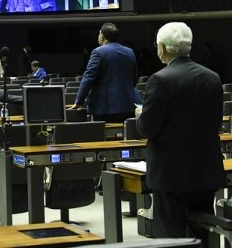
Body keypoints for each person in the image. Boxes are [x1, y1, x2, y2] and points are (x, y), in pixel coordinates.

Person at [137, 22, 225, 241]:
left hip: (170, 173)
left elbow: (148, 128)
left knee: (170, 236)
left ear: (163, 48)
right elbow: (215, 123)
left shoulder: (160, 79)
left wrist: (140, 115)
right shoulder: (212, 78)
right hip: (204, 170)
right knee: (203, 232)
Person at [72, 22, 138, 122]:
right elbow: (134, 79)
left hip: (104, 108)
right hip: (127, 105)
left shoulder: (98, 52)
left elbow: (88, 78)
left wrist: (79, 101)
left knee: (101, 136)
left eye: (99, 34)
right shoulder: (129, 52)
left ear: (102, 36)